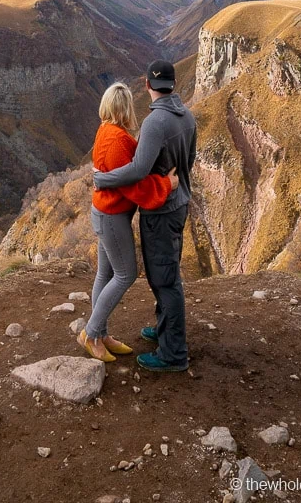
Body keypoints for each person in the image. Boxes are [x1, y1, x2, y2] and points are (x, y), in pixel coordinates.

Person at [93, 60, 196, 373]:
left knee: (165, 280)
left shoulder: (156, 122)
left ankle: (172, 353)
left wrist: (102, 179)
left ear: (148, 85)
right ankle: (161, 330)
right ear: (174, 84)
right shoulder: (188, 116)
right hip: (178, 203)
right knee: (162, 274)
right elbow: (187, 161)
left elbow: (138, 170)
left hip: (162, 209)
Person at [78, 81, 179, 363]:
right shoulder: (117, 139)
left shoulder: (106, 130)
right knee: (126, 274)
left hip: (103, 212)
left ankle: (101, 334)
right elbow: (132, 185)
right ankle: (91, 332)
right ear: (124, 109)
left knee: (105, 274)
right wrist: (166, 185)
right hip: (112, 216)